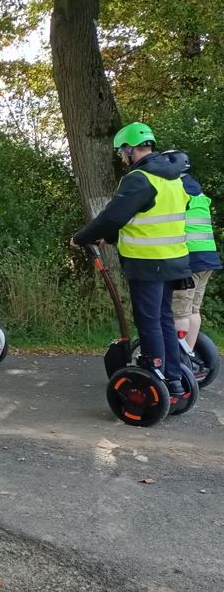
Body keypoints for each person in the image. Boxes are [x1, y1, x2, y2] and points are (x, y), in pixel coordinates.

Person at [71, 123, 192, 403]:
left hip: (148, 263)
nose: (122, 158)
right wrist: (110, 237)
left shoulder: (140, 178)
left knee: (148, 319)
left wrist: (81, 238)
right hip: (173, 259)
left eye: (121, 152)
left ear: (130, 149)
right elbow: (141, 218)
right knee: (163, 318)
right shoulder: (174, 177)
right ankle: (172, 378)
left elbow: (112, 216)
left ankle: (154, 368)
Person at [169, 151, 221, 367]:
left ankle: (180, 360)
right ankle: (189, 354)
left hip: (190, 257)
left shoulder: (178, 191)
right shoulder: (197, 191)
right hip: (207, 256)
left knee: (179, 311)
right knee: (193, 309)